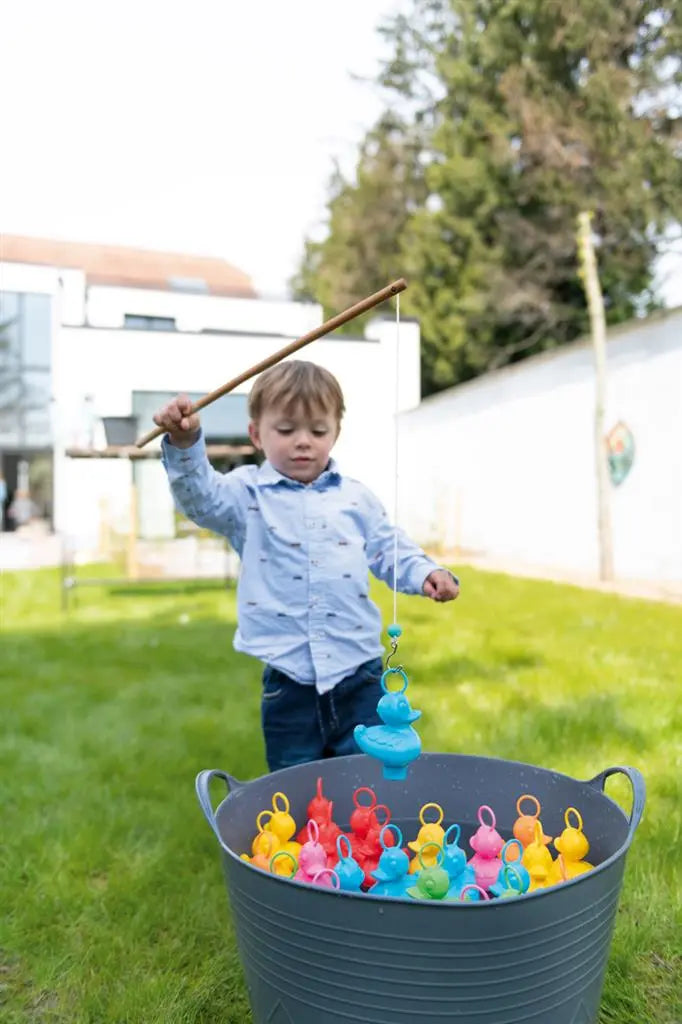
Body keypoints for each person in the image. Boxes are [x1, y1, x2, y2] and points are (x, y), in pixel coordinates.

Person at [155, 360, 459, 772]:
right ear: (256, 434)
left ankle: (361, 840)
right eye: (286, 430)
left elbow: (388, 548)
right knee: (293, 787)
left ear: (335, 433)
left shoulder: (356, 498)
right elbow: (200, 499)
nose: (303, 442)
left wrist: (425, 572)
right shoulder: (245, 495)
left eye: (317, 431)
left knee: (366, 783)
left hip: (361, 676)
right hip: (288, 680)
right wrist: (185, 442)